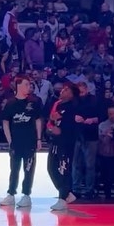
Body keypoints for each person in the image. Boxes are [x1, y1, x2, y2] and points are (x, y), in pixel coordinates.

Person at [0, 75, 43, 208]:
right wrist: (9, 140)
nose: (28, 87)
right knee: (14, 169)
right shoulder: (11, 103)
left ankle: (26, 195)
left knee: (29, 169)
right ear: (18, 85)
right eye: (26, 84)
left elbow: (38, 120)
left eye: (29, 85)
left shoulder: (34, 102)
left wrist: (39, 138)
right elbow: (5, 122)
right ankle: (11, 194)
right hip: (16, 142)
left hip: (30, 141)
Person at [46, 82, 78, 212]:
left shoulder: (72, 107)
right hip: (55, 141)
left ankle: (62, 198)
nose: (62, 90)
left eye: (66, 89)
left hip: (66, 142)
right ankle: (66, 194)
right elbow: (52, 124)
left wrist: (55, 128)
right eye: (63, 89)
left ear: (71, 94)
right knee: (51, 168)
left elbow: (63, 128)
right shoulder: (57, 105)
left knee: (63, 169)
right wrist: (52, 125)